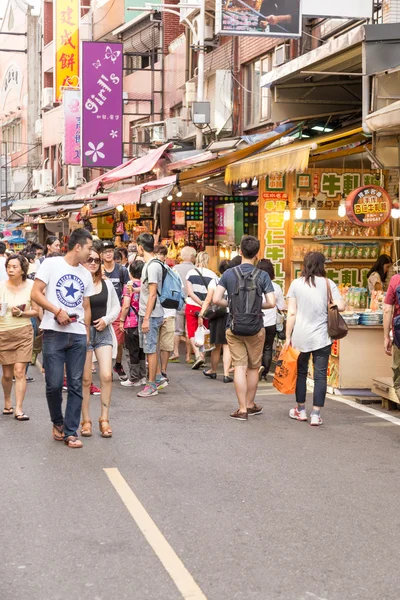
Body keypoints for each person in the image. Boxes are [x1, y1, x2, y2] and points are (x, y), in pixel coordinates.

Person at [31, 228, 95, 448]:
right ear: (78, 247)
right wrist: (57, 311)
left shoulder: (86, 274)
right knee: (54, 384)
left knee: (76, 384)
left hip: (77, 335)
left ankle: (70, 431)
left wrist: (86, 332)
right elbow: (36, 293)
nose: (90, 253)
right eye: (89, 248)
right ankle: (57, 421)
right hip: (53, 332)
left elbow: (86, 306)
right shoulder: (51, 264)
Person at [213, 235, 276, 420]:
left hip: (234, 326)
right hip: (256, 327)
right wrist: (258, 307)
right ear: (257, 254)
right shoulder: (263, 275)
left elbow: (216, 299)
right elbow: (271, 302)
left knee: (239, 367)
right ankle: (250, 404)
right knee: (254, 368)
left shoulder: (228, 274)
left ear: (240, 251)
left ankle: (241, 410)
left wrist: (231, 305)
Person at [284, 251, 345, 426]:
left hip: (300, 337)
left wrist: (288, 337)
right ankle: (316, 414)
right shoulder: (328, 283)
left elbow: (292, 312)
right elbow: (341, 305)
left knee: (301, 374)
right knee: (320, 377)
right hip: (322, 337)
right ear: (322, 265)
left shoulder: (296, 284)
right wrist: (330, 304)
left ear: (306, 264)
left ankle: (301, 410)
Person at [80, 245, 120, 438]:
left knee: (106, 375)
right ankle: (85, 420)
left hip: (103, 333)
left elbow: (116, 306)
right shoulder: (77, 282)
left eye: (97, 260)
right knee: (86, 379)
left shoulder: (106, 284)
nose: (94, 263)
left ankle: (104, 419)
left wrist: (106, 320)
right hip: (83, 334)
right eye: (90, 260)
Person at [0, 254, 39, 420]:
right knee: (7, 374)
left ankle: (19, 408)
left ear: (23, 269)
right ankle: (7, 402)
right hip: (3, 332)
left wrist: (22, 313)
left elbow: (36, 310)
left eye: (14, 267)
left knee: (19, 371)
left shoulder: (31, 286)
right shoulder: (1, 286)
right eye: (9, 266)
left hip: (23, 331)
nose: (10, 270)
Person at [136, 232, 165, 397]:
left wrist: (146, 318)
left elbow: (153, 294)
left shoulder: (152, 266)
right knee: (150, 348)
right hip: (150, 313)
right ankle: (158, 378)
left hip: (151, 314)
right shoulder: (151, 264)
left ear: (140, 247)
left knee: (150, 349)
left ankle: (151, 384)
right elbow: (149, 291)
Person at [198, 259, 233, 383]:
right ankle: (226, 374)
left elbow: (208, 300)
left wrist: (201, 314)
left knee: (216, 346)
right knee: (227, 346)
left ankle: (213, 370)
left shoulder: (215, 281)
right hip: (230, 315)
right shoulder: (235, 281)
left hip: (217, 316)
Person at [101, 240, 129, 381]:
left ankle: (117, 364)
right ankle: (105, 367)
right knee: (104, 341)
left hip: (117, 310)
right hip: (102, 310)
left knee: (118, 341)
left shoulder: (122, 270)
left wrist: (125, 310)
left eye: (111, 251)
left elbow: (127, 290)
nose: (108, 254)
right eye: (106, 252)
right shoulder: (98, 270)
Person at [186, 251, 218, 370]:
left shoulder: (191, 273)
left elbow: (190, 292)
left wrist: (199, 302)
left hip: (192, 304)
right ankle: (203, 356)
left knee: (192, 330)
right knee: (204, 330)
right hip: (207, 307)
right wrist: (204, 304)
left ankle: (198, 356)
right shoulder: (213, 275)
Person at [257, 259, 286, 381]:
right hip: (271, 323)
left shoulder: (255, 283)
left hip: (257, 321)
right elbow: (282, 306)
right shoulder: (276, 287)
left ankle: (255, 369)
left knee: (256, 347)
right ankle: (264, 374)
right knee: (268, 347)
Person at [119, 260, 147, 387]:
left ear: (130, 272)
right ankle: (143, 376)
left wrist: (121, 320)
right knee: (142, 351)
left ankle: (134, 378)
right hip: (143, 321)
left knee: (132, 351)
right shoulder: (145, 286)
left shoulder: (129, 286)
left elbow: (126, 306)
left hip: (131, 322)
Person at [170, 246, 196, 364]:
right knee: (189, 330)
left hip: (178, 302)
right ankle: (188, 356)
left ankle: (175, 352)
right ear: (192, 257)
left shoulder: (175, 268)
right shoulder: (196, 269)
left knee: (177, 329)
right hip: (192, 302)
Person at [154, 244, 175, 387]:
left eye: (162, 254)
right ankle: (156, 373)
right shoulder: (150, 270)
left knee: (166, 345)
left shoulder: (172, 273)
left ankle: (163, 371)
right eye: (157, 254)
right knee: (153, 345)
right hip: (155, 313)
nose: (160, 257)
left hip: (168, 313)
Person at [383, 271, 400, 400]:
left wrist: (386, 337)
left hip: (399, 334)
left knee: (399, 382)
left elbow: (387, 309)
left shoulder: (396, 280)